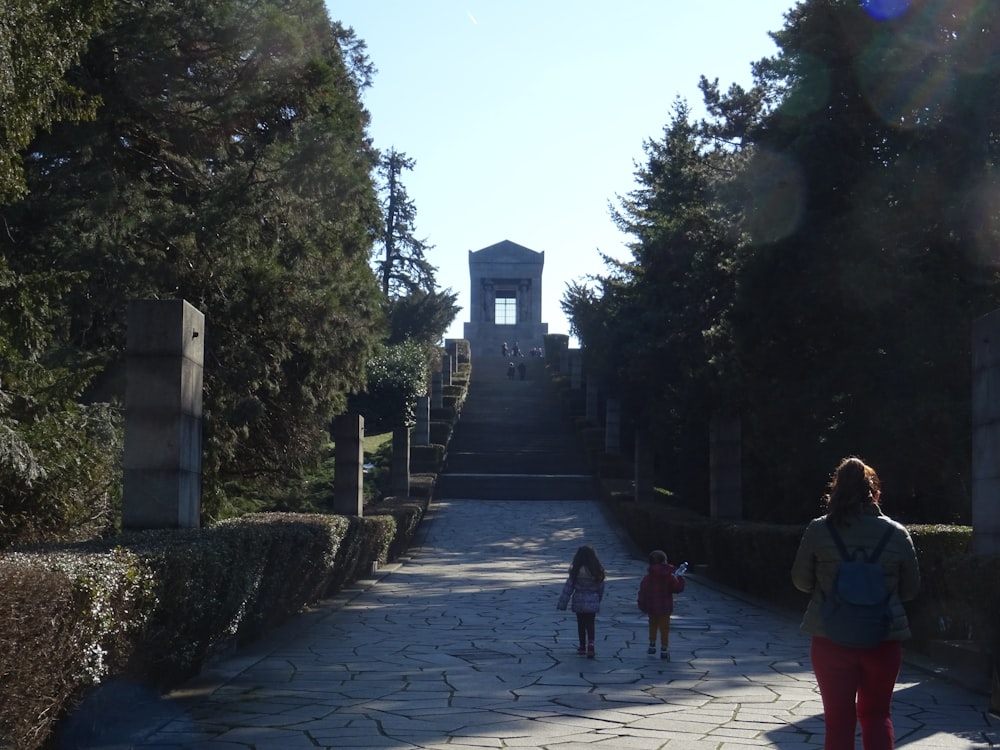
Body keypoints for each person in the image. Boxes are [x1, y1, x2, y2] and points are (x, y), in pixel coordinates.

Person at [791, 456, 920, 750]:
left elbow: (800, 581)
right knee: (876, 715)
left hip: (830, 636)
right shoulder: (896, 533)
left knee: (838, 720)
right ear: (874, 492)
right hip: (883, 638)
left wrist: (826, 587)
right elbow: (911, 590)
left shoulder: (819, 529)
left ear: (835, 492)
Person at [557, 544, 606, 658]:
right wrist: (598, 599)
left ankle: (582, 646)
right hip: (592, 600)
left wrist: (562, 603)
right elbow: (601, 588)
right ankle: (591, 643)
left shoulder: (575, 571)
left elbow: (568, 588)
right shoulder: (596, 571)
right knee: (590, 623)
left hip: (579, 600)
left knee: (581, 624)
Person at [637, 549, 685, 661]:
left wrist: (642, 604)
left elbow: (643, 592)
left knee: (652, 625)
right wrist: (681, 578)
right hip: (665, 607)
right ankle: (664, 647)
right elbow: (677, 588)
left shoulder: (648, 578)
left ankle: (652, 643)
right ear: (665, 562)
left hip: (652, 606)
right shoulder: (669, 576)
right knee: (664, 628)